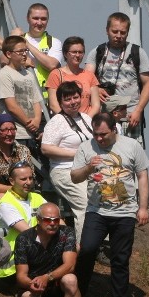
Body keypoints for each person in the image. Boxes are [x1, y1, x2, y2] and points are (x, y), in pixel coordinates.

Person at [70, 112, 149, 297]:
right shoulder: (86, 148)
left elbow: (142, 175)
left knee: (120, 260)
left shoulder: (132, 145)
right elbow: (74, 176)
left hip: (124, 212)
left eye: (103, 134)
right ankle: (77, 293)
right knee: (87, 249)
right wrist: (89, 167)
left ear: (114, 129)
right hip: (96, 210)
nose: (99, 139)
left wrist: (143, 207)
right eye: (96, 134)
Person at [14, 203, 82, 297]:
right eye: (47, 220)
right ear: (38, 219)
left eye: (56, 220)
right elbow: (21, 276)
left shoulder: (67, 233)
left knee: (71, 280)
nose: (52, 224)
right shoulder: (24, 239)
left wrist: (47, 277)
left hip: (57, 283)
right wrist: (32, 283)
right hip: (35, 286)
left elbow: (70, 265)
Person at [84, 12, 149, 143]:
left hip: (130, 117)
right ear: (107, 30)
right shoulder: (97, 52)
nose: (118, 36)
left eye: (123, 32)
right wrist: (96, 90)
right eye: (114, 32)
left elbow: (148, 85)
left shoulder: (137, 53)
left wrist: (138, 110)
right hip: (104, 117)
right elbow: (86, 79)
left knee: (131, 157)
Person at [41, 82, 94, 239]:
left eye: (76, 97)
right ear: (60, 102)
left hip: (88, 170)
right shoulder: (56, 122)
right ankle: (83, 246)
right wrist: (76, 154)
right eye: (68, 99)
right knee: (85, 204)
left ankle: (102, 243)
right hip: (65, 171)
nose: (73, 102)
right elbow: (46, 148)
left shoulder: (86, 118)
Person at [0, 161, 46, 291]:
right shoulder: (6, 204)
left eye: (30, 178)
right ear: (11, 181)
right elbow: (28, 233)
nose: (28, 182)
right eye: (23, 179)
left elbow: (55, 218)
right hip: (11, 266)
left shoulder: (37, 197)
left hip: (32, 255)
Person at [0, 114, 37, 225]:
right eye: (4, 130)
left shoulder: (23, 150)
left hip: (23, 191)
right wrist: (14, 190)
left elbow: (31, 177)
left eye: (12, 129)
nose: (9, 133)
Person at [0, 35, 42, 154]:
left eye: (25, 50)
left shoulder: (29, 74)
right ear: (9, 54)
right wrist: (28, 123)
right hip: (16, 133)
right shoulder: (4, 74)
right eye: (20, 51)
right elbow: (11, 106)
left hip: (32, 133)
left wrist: (36, 121)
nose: (24, 54)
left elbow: (36, 100)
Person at [10, 3, 63, 100]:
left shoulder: (54, 42)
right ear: (27, 19)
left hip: (47, 100)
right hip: (22, 98)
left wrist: (27, 44)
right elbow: (4, 61)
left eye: (43, 19)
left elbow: (52, 65)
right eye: (35, 18)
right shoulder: (16, 39)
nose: (39, 23)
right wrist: (12, 39)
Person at [45, 36, 101, 117]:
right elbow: (54, 105)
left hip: (86, 121)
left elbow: (96, 105)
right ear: (65, 54)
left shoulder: (90, 75)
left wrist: (85, 121)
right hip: (65, 122)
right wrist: (69, 121)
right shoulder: (56, 74)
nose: (77, 55)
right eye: (74, 52)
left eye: (80, 52)